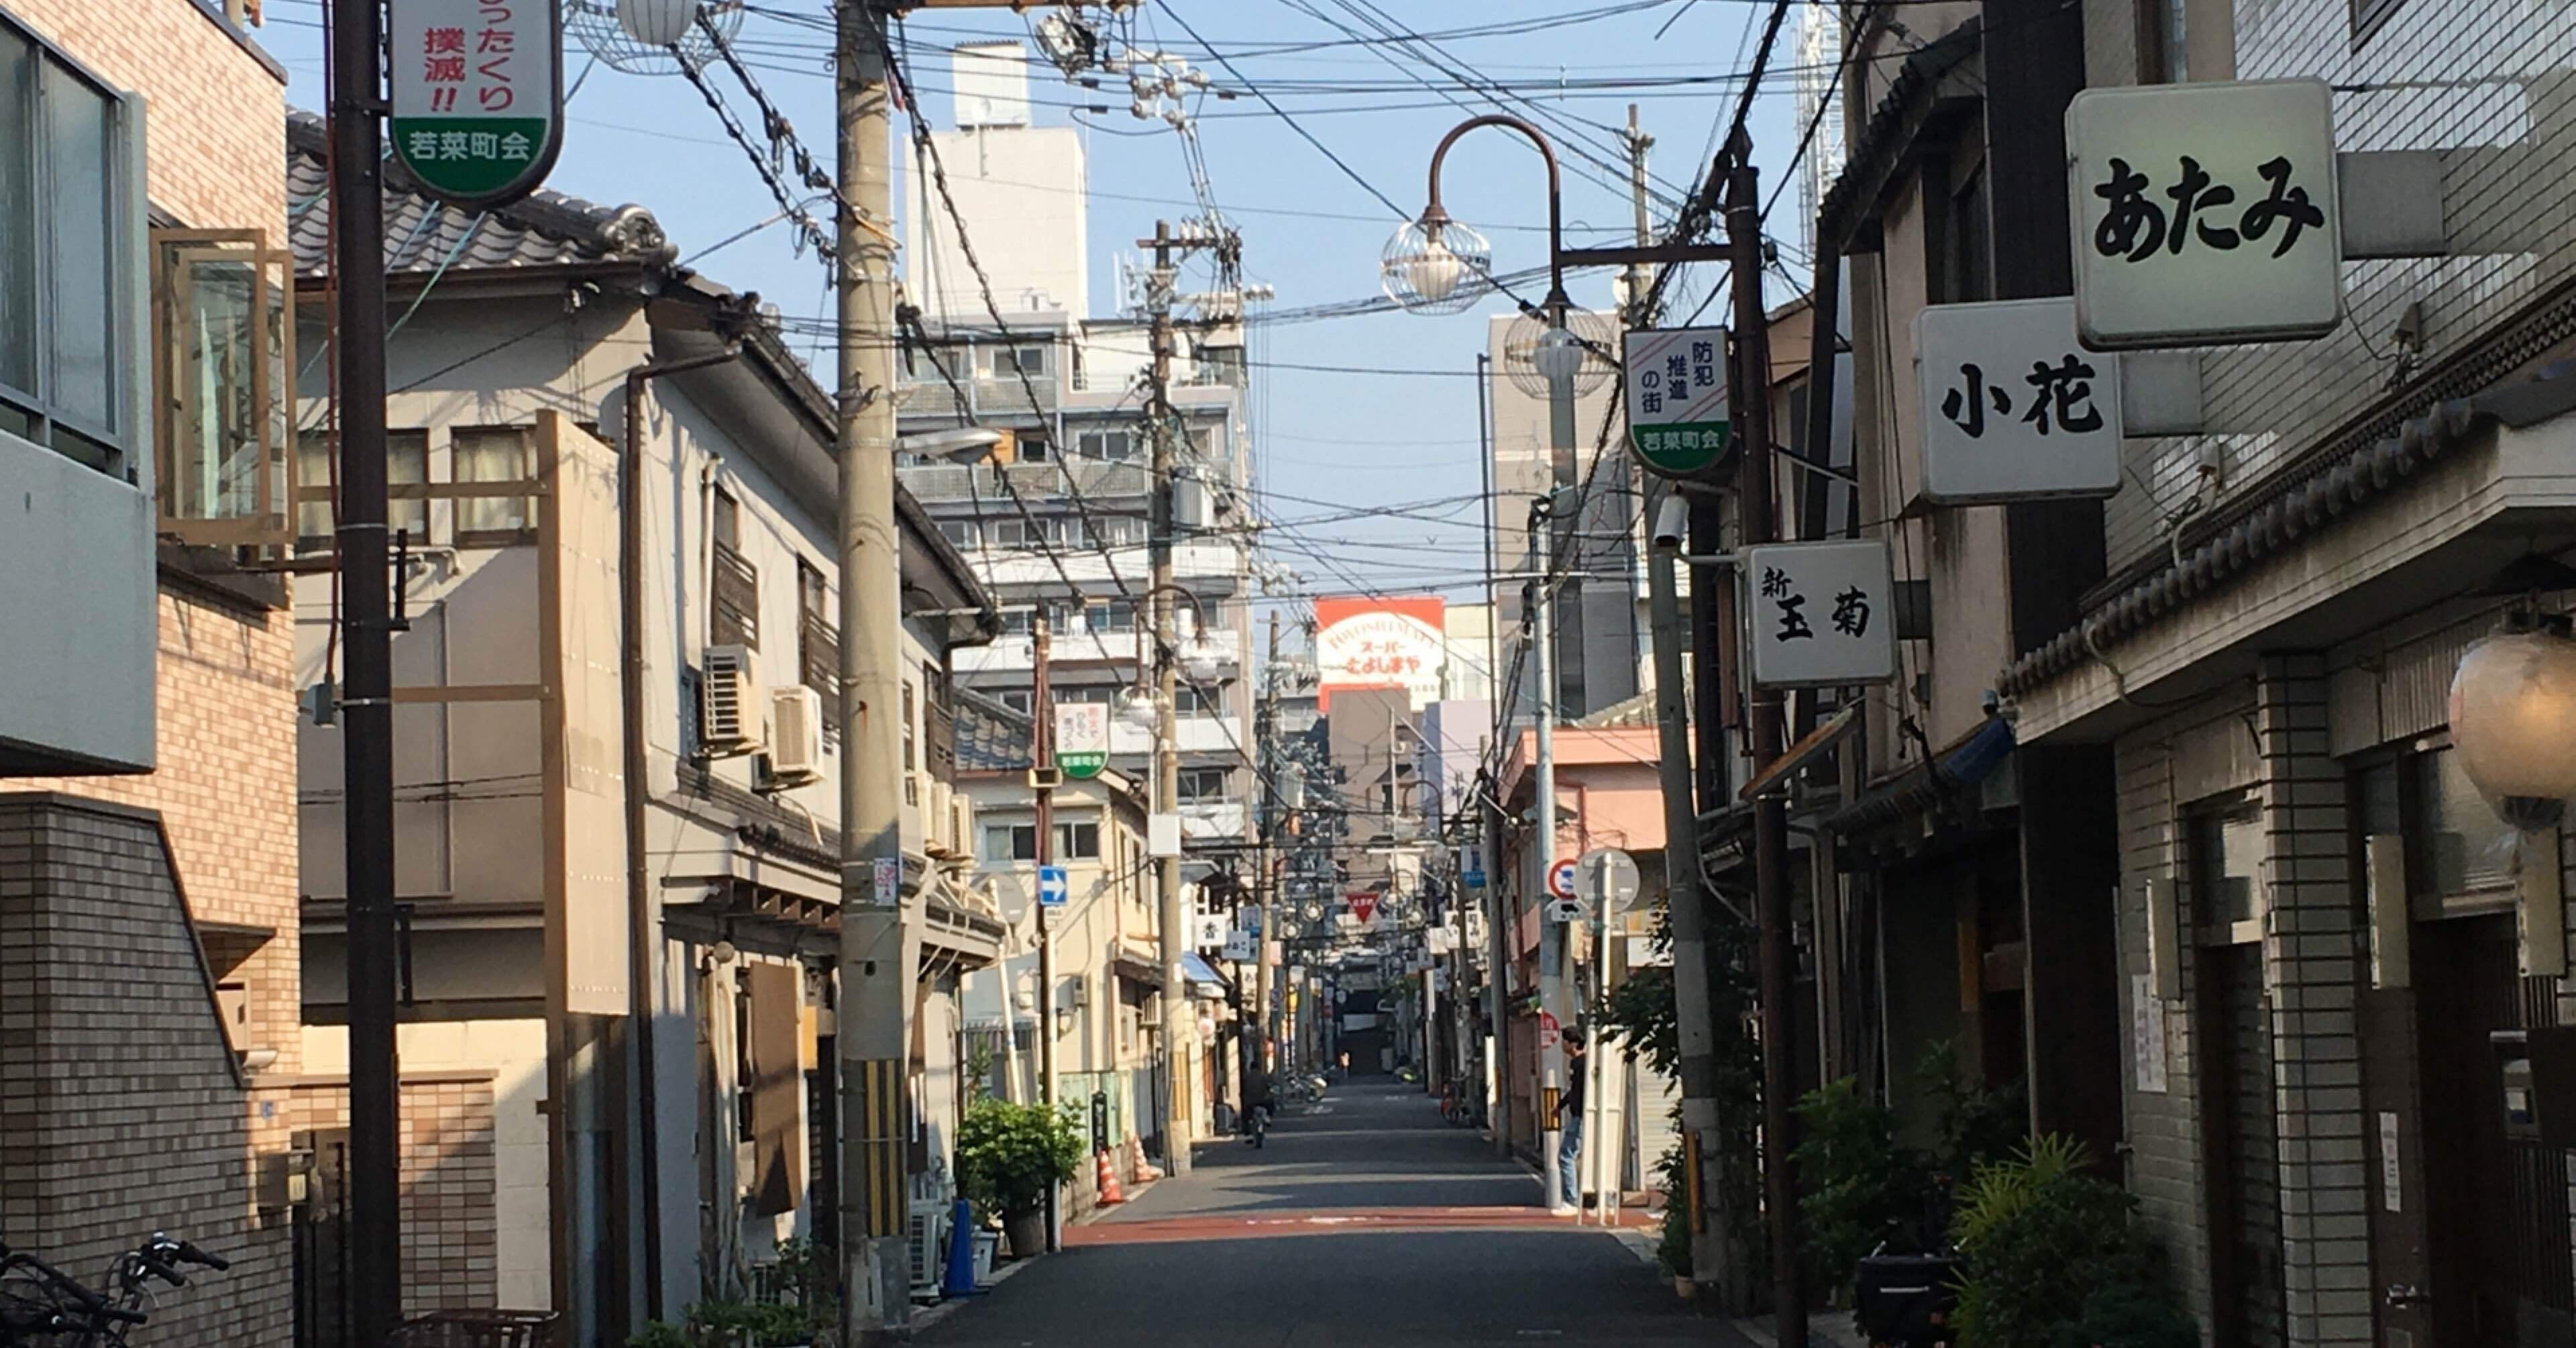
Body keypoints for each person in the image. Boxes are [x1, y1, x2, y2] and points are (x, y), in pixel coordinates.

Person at [1556, 1033, 1588, 1211]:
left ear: (1573, 1044)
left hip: (1580, 1116)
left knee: (1566, 1155)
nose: (1562, 1044)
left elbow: (1578, 1090)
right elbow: (1574, 1090)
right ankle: (1573, 1198)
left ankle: (1571, 1201)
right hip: (1580, 1115)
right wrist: (1560, 1106)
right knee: (1571, 1155)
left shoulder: (1581, 1064)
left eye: (1565, 1041)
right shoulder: (1579, 1063)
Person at [1241, 1059, 1275, 1144]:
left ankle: (1248, 1136)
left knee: (1246, 1118)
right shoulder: (1263, 1077)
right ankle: (1268, 1118)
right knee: (1271, 1105)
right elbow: (1269, 1088)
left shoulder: (1246, 1077)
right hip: (1263, 1102)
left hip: (1250, 1103)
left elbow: (1242, 1091)